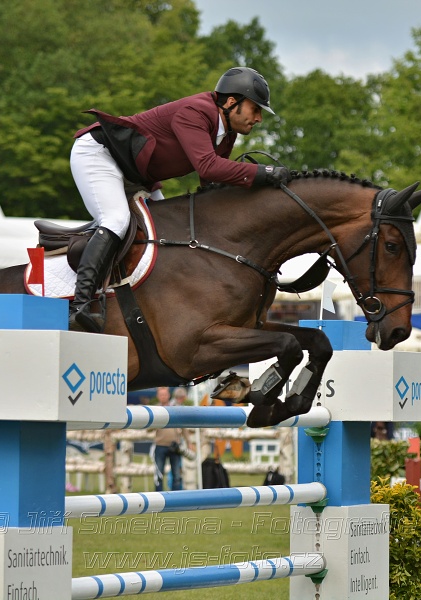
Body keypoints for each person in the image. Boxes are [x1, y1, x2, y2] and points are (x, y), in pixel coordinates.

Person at [68, 66, 286, 333]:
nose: (259, 118)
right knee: (117, 220)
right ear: (232, 102)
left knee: (170, 231)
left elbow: (211, 186)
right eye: (256, 109)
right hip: (99, 153)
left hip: (136, 176)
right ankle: (79, 305)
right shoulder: (195, 111)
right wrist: (265, 173)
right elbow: (208, 167)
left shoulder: (226, 134)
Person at [152, 387, 194, 491]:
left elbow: (183, 427)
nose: (163, 397)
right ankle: (157, 499)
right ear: (158, 396)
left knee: (177, 476)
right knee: (159, 475)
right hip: (160, 445)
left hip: (175, 446)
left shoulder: (176, 408)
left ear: (169, 395)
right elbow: (148, 428)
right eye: (161, 395)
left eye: (164, 394)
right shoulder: (155, 410)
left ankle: (176, 500)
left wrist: (189, 441)